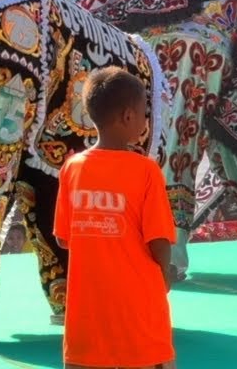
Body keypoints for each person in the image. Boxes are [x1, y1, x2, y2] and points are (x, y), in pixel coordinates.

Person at [54, 67, 177, 369]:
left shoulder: (72, 168)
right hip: (139, 314)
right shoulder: (146, 171)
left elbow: (63, 238)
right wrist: (165, 275)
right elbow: (159, 240)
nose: (146, 120)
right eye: (144, 112)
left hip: (86, 318)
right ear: (128, 116)